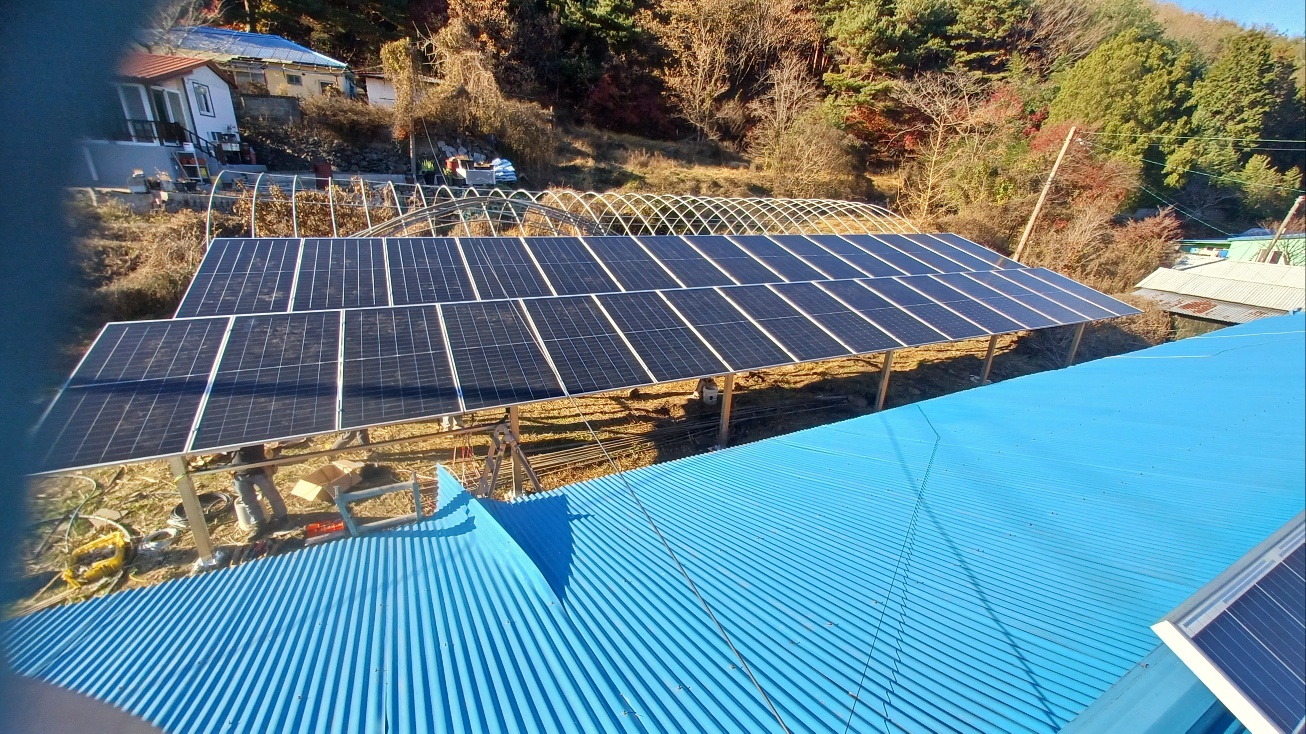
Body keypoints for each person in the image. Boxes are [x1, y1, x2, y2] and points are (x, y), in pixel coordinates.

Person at [229, 444, 287, 540]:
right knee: (248, 501)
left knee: (272, 496)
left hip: (259, 470)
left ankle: (283, 520)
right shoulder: (231, 438)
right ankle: (260, 525)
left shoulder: (251, 436)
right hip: (239, 474)